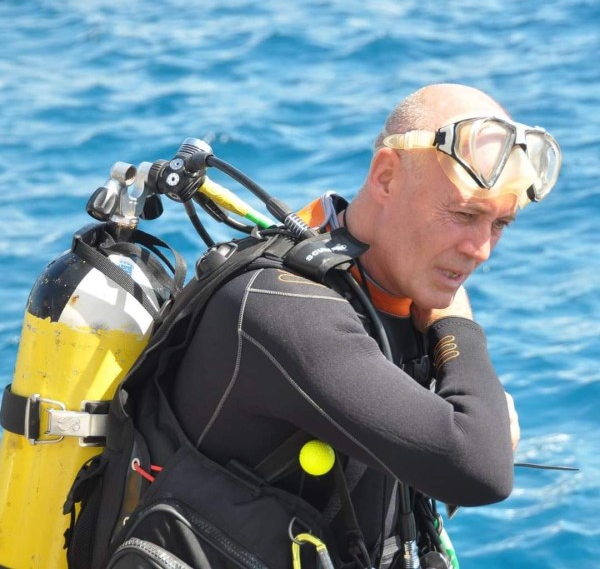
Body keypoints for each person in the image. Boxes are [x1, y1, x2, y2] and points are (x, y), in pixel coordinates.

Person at [171, 83, 560, 566]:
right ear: (386, 177)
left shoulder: (397, 296)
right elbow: (480, 468)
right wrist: (456, 322)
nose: (481, 249)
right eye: (464, 214)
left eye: (500, 224)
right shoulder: (280, 308)